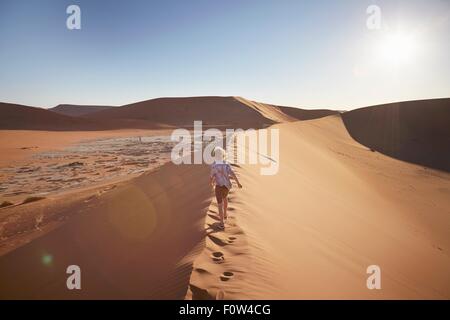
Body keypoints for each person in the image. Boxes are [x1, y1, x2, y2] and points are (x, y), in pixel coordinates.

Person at [210, 146, 242, 230]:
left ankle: (221, 223)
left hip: (219, 186)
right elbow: (232, 173)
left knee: (219, 204)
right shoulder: (226, 164)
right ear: (223, 155)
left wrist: (212, 183)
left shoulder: (214, 165)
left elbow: (212, 176)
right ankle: (225, 214)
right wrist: (238, 183)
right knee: (225, 198)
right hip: (226, 186)